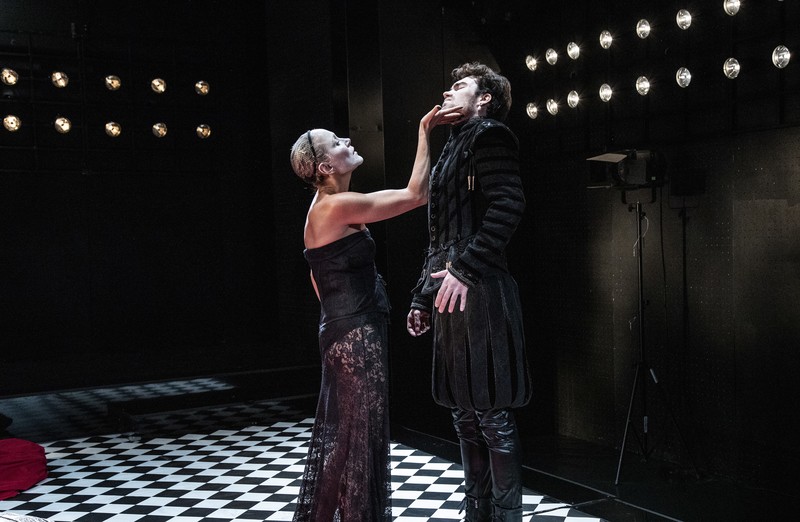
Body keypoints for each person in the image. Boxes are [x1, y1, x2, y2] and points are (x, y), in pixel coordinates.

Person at [289, 104, 461, 522]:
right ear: (326, 166)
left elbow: (318, 278)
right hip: (355, 337)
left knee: (349, 439)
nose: (348, 141)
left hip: (346, 331)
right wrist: (424, 130)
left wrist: (343, 316)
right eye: (337, 142)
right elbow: (416, 195)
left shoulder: (328, 206)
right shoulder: (335, 206)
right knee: (356, 440)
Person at [406, 62, 531, 522]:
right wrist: (422, 295)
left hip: (481, 291)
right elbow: (440, 236)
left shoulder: (489, 134)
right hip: (450, 292)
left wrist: (465, 269)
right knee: (463, 413)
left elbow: (509, 205)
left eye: (459, 86)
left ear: (484, 99)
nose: (448, 91)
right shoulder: (453, 145)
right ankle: (476, 513)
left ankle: (505, 517)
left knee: (492, 414)